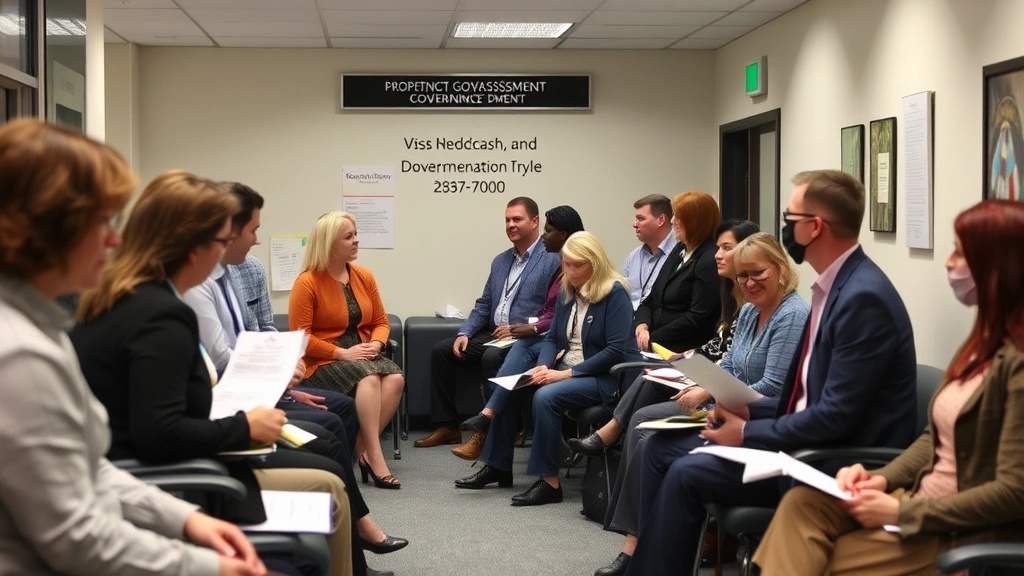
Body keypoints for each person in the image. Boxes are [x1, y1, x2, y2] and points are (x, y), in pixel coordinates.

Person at [72, 171, 405, 576]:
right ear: (193, 247)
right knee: (329, 483)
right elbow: (160, 433)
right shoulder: (160, 318)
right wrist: (247, 426)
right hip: (183, 473)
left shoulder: (124, 300)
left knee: (331, 462)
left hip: (164, 464)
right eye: (221, 241)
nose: (228, 253)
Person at [0, 119, 267, 576]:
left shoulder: (45, 327)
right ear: (47, 229)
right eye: (101, 221)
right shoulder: (20, 355)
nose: (115, 239)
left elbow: (91, 472)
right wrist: (209, 568)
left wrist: (184, 519)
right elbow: (76, 539)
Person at [623, 169, 918, 576]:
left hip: (834, 465)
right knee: (659, 448)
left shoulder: (862, 298)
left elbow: (835, 417)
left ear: (814, 227)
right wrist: (747, 412)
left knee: (687, 472)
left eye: (790, 217)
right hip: (803, 441)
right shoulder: (837, 288)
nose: (784, 227)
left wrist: (746, 432)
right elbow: (804, 398)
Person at [753, 200, 1024, 575]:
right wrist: (881, 477)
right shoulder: (981, 344)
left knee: (814, 557)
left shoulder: (1018, 362)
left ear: (1001, 266)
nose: (948, 263)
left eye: (961, 253)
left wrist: (901, 510)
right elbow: (935, 438)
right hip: (918, 499)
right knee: (802, 505)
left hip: (958, 529)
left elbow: (1015, 492)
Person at [591, 232, 809, 576]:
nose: (749, 283)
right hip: (726, 411)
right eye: (742, 275)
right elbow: (734, 365)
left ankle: (650, 555)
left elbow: (774, 387)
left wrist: (712, 393)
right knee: (651, 441)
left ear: (780, 269)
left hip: (759, 426)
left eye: (758, 273)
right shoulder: (751, 310)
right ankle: (643, 549)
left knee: (655, 443)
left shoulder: (793, 315)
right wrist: (709, 383)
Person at [455, 232, 639, 507]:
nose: (570, 271)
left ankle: (550, 482)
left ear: (595, 263)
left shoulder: (614, 292)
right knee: (514, 387)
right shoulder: (568, 288)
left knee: (545, 397)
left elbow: (614, 351)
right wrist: (542, 367)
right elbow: (553, 338)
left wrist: (563, 374)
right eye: (566, 264)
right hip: (567, 367)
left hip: (604, 377)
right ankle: (498, 466)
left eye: (577, 265)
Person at [182, 182, 358, 456]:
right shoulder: (198, 283)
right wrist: (278, 380)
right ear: (228, 233)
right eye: (253, 230)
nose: (257, 240)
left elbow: (265, 330)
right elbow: (222, 361)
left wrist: (282, 377)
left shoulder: (237, 272)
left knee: (343, 408)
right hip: (234, 399)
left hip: (257, 385)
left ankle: (344, 486)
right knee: (328, 429)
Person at [414, 197, 561, 449]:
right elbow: (484, 304)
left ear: (535, 221)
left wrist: (520, 328)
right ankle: (449, 426)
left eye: (517, 219)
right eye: (507, 220)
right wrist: (465, 333)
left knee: (491, 357)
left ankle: (499, 429)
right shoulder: (501, 260)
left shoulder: (551, 259)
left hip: (524, 338)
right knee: (442, 351)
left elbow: (553, 311)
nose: (510, 225)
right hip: (494, 334)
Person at [453, 205, 586, 461]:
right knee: (513, 362)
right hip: (541, 340)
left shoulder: (565, 268)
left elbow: (554, 320)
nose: (544, 237)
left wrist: (533, 330)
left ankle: (489, 424)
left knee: (502, 362)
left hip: (569, 348)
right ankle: (486, 428)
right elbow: (554, 319)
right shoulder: (508, 260)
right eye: (507, 220)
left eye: (548, 231)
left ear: (565, 234)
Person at [289, 211, 406, 490]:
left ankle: (361, 450)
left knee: (396, 378)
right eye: (349, 236)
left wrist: (376, 344)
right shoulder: (306, 282)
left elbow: (380, 321)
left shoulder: (364, 276)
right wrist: (342, 353)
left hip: (363, 352)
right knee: (367, 377)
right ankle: (375, 458)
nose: (356, 240)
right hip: (323, 360)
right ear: (329, 243)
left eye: (356, 234)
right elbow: (301, 338)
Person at [633, 191, 722, 356]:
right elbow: (651, 299)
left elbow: (698, 318)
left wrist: (652, 338)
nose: (673, 221)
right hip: (654, 344)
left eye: (678, 217)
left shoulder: (710, 259)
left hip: (682, 351)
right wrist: (642, 325)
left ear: (695, 222)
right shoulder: (680, 249)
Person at [622, 194, 678, 310]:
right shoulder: (633, 257)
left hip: (663, 324)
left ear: (661, 220)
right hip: (634, 323)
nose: (634, 224)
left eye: (640, 219)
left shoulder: (680, 252)